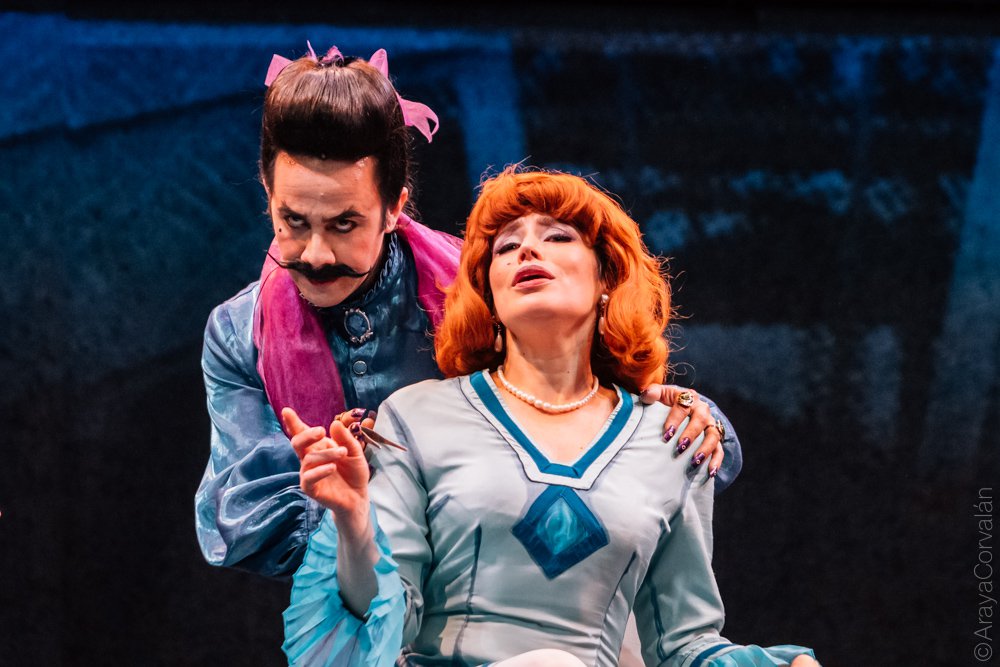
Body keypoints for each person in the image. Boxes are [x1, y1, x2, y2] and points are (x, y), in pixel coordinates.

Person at [195, 44, 741, 580]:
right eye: (293, 221)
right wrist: (348, 499)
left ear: (394, 208)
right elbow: (246, 519)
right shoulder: (239, 332)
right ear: (267, 193)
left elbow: (601, 422)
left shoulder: (482, 290)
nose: (315, 254)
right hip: (354, 602)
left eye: (344, 225)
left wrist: (680, 414)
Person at [281, 168, 819, 666]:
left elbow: (685, 645)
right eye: (505, 247)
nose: (527, 249)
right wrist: (354, 523)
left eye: (558, 236)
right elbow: (385, 623)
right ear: (489, 295)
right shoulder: (417, 416)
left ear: (607, 277)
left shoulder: (672, 437)